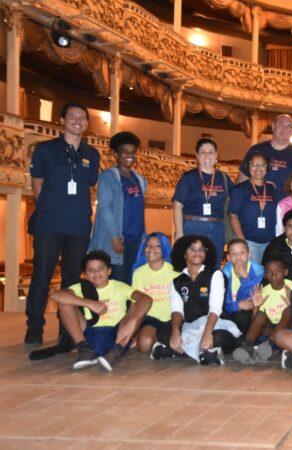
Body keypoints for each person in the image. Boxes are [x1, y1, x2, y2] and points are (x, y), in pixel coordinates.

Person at [26, 101, 100, 349]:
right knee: (42, 276)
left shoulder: (92, 154)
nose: (78, 120)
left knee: (71, 280)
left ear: (87, 124)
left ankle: (65, 329)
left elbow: (88, 185)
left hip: (78, 226)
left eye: (82, 117)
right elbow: (37, 184)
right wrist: (48, 207)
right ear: (62, 120)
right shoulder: (45, 150)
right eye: (73, 116)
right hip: (49, 224)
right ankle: (34, 327)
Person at [50, 250, 153, 371]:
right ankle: (84, 350)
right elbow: (55, 295)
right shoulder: (81, 287)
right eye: (91, 270)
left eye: (101, 268)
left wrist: (133, 321)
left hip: (117, 336)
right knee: (64, 303)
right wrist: (90, 303)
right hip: (90, 335)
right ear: (85, 274)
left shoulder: (119, 287)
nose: (96, 273)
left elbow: (146, 299)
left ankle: (116, 352)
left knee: (137, 305)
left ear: (109, 271)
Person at [150, 235, 240, 365]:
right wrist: (175, 332)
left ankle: (174, 350)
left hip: (214, 324)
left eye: (201, 249)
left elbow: (216, 308)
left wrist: (207, 333)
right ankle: (205, 352)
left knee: (219, 337)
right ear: (184, 254)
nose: (197, 253)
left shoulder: (215, 275)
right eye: (192, 249)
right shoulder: (177, 281)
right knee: (164, 331)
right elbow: (176, 310)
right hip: (190, 327)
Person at [89, 131, 147, 284]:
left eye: (133, 152)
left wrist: (144, 238)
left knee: (132, 284)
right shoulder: (108, 177)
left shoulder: (140, 180)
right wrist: (115, 236)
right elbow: (105, 208)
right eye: (125, 152)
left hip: (135, 241)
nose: (130, 155)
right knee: (118, 284)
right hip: (117, 242)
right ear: (116, 154)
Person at [172, 138, 232, 269]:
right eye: (203, 152)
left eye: (211, 152)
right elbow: (177, 205)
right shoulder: (188, 177)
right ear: (197, 156)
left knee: (213, 267)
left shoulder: (223, 178)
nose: (207, 156)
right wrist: (180, 233)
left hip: (217, 228)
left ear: (216, 155)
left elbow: (237, 196)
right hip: (192, 227)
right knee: (191, 267)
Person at [237, 114, 292, 202]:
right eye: (280, 124)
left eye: (289, 126)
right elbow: (241, 180)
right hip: (257, 206)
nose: (284, 129)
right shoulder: (256, 150)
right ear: (273, 126)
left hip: (287, 210)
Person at [231, 253, 292, 365]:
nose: (274, 275)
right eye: (269, 272)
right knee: (260, 314)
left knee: (289, 310)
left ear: (285, 272)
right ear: (265, 275)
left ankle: (270, 345)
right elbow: (255, 322)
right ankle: (247, 346)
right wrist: (256, 307)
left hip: (287, 328)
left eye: (278, 271)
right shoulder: (262, 291)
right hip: (270, 329)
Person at [131, 232, 178, 353]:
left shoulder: (175, 271)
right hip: (150, 319)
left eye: (157, 246)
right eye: (148, 245)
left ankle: (160, 342)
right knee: (144, 344)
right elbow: (135, 304)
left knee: (178, 344)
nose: (152, 249)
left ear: (164, 249)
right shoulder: (138, 273)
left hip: (172, 318)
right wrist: (134, 332)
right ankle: (156, 341)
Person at [229, 152, 277, 264]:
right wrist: (242, 242)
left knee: (265, 277)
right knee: (251, 277)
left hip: (269, 242)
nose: (258, 168)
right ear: (248, 167)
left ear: (267, 167)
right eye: (253, 164)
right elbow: (233, 216)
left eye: (262, 165)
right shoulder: (240, 189)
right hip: (248, 241)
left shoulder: (272, 189)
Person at [220, 239, 265, 340]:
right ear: (228, 257)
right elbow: (222, 304)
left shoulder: (259, 272)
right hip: (230, 311)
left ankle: (248, 341)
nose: (238, 257)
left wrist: (245, 277)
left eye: (242, 253)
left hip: (253, 312)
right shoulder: (224, 274)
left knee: (243, 317)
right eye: (233, 254)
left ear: (249, 255)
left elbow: (255, 295)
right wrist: (238, 304)